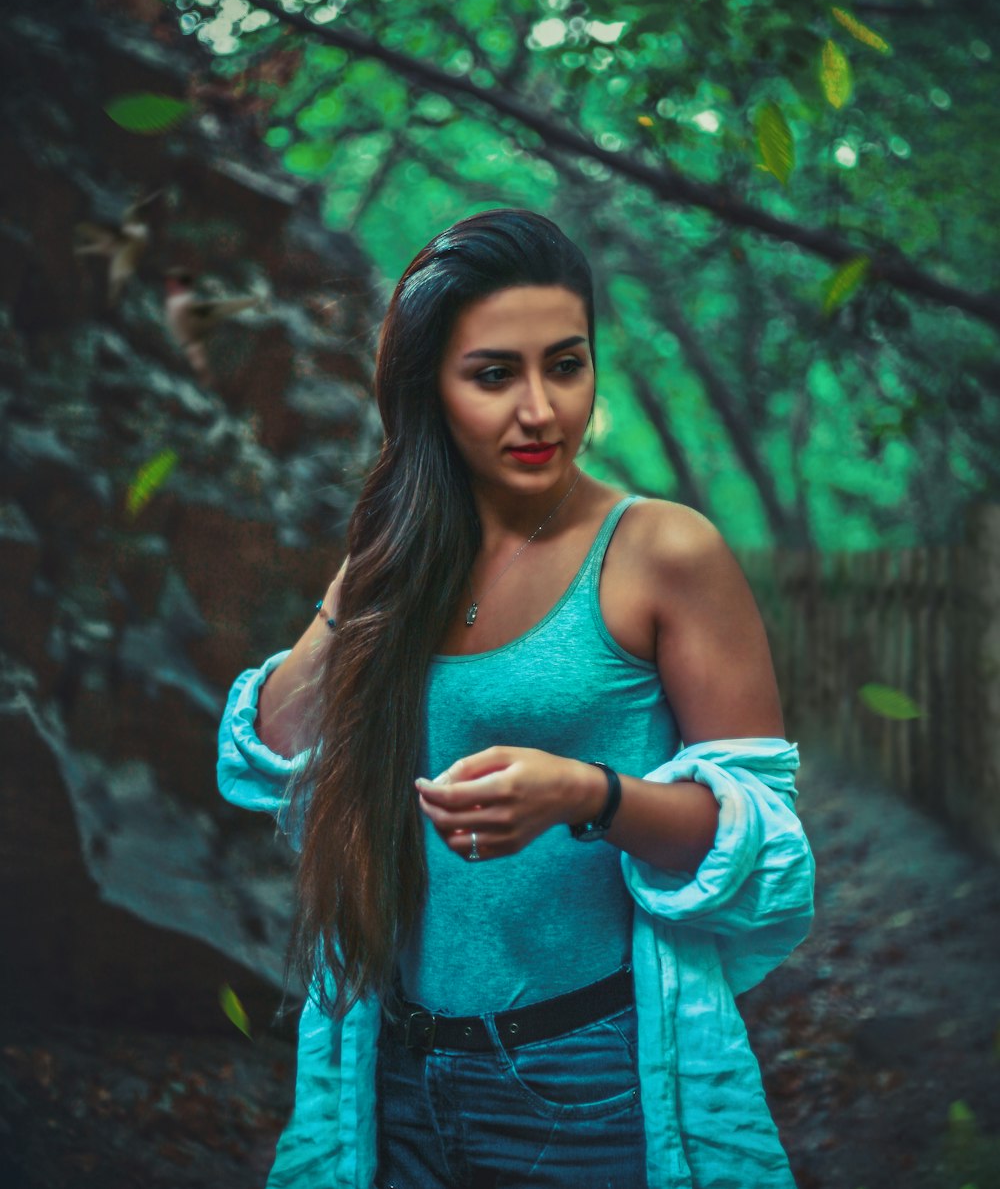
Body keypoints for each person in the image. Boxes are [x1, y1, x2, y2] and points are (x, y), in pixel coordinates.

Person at [217, 208, 815, 1189]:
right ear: (429, 390)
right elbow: (264, 758)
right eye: (494, 374)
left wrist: (588, 794)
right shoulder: (396, 563)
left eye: (565, 365)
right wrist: (364, 573)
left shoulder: (662, 551)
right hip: (389, 1081)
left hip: (585, 1083)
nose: (540, 409)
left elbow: (766, 850)